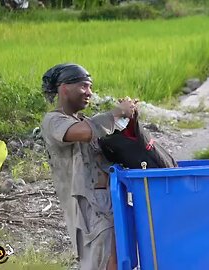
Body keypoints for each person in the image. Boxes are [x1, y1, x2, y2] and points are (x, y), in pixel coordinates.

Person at [40, 63, 137, 270]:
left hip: (107, 203)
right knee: (103, 260)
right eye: (84, 86)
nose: (89, 93)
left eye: (90, 87)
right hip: (88, 209)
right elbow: (82, 132)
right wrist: (116, 113)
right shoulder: (53, 121)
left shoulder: (84, 120)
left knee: (120, 259)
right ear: (64, 87)